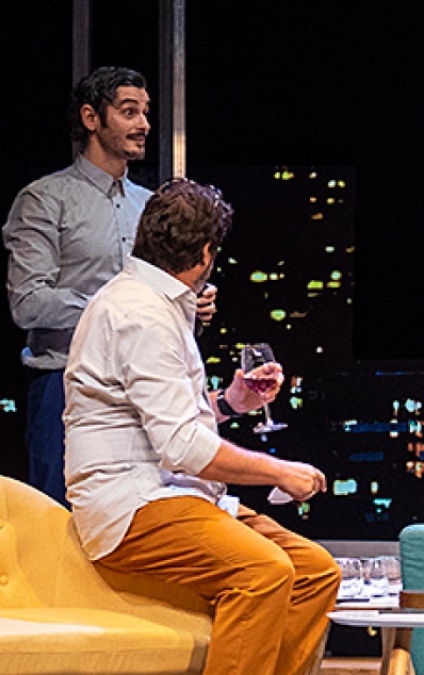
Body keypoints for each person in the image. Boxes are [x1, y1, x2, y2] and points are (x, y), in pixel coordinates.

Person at [64, 179, 340, 675]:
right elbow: (184, 448)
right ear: (207, 253)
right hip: (133, 504)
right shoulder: (140, 313)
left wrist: (230, 402)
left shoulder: (157, 304)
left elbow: (162, 418)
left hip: (175, 494)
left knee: (314, 572)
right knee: (263, 571)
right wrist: (280, 471)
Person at [3, 66, 217, 506]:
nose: (144, 124)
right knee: (62, 523)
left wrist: (191, 303)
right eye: (129, 112)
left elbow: (162, 297)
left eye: (145, 113)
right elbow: (28, 302)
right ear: (90, 118)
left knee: (147, 516)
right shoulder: (45, 199)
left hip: (147, 387)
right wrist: (121, 310)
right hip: (65, 384)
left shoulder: (149, 206)